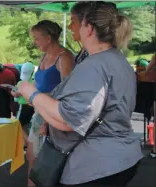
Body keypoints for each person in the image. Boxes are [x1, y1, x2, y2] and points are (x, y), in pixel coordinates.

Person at [16, 2, 143, 186]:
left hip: (95, 166)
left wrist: (31, 93)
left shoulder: (95, 66)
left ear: (89, 28)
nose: (71, 27)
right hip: (117, 159)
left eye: (78, 22)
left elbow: (70, 120)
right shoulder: (117, 59)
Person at [12, 20, 75, 186]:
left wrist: (46, 117)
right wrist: (22, 91)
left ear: (48, 38)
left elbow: (68, 94)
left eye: (37, 38)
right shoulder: (45, 56)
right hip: (40, 114)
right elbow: (38, 85)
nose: (35, 42)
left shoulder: (65, 58)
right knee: (32, 157)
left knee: (47, 162)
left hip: (53, 117)